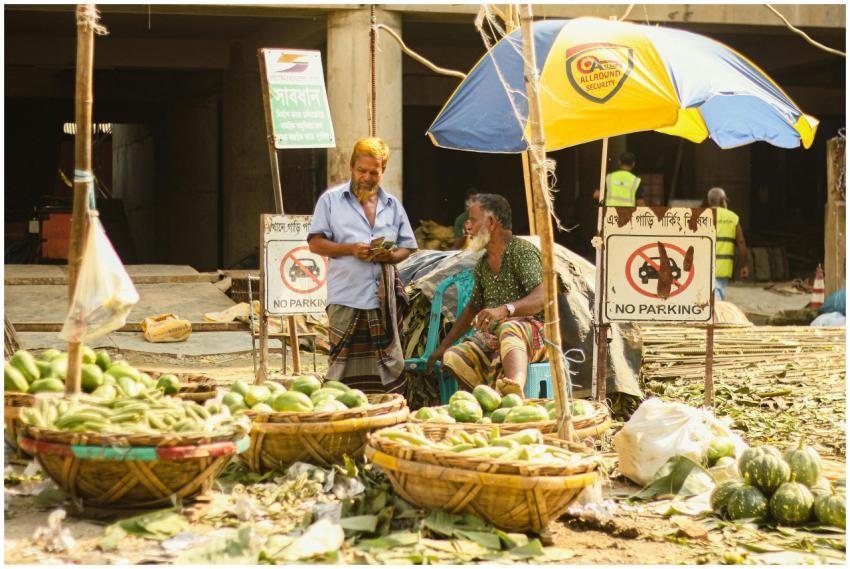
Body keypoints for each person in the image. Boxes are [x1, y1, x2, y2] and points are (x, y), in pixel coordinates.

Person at [308, 137, 417, 394]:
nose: (367, 177)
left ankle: (383, 413)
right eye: (362, 171)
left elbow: (408, 246)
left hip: (382, 301)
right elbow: (315, 243)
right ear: (351, 166)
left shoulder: (392, 206)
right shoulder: (331, 201)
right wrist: (350, 249)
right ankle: (341, 415)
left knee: (385, 368)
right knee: (340, 370)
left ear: (383, 171)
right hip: (346, 296)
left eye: (374, 172)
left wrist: (389, 257)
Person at [426, 193, 546, 396]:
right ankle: (488, 400)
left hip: (532, 334)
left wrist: (505, 310)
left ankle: (514, 388)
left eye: (472, 220)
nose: (467, 227)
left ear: (491, 222)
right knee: (454, 356)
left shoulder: (521, 252)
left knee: (509, 328)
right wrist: (444, 346)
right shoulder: (483, 264)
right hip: (493, 338)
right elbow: (473, 307)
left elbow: (542, 297)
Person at [708, 187, 749, 300]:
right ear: (722, 200)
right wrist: (745, 265)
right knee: (717, 299)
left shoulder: (702, 216)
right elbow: (740, 242)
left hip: (704, 267)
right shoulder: (732, 217)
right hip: (723, 268)